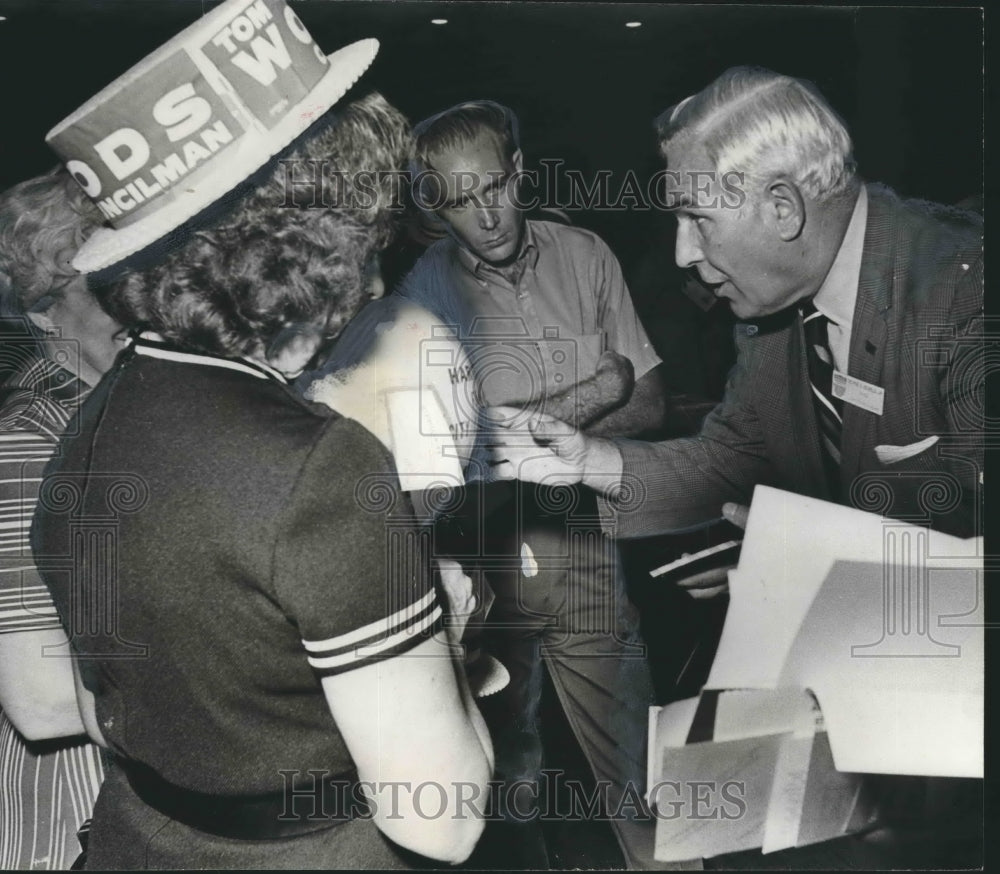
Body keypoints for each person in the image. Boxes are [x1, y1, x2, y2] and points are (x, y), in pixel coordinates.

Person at [31, 1, 491, 867]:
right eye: (373, 232)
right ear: (326, 247)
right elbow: (444, 815)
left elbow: (107, 715)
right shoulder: (317, 467)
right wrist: (448, 633)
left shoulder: (93, 422)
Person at [490, 66, 982, 542]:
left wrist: (808, 558)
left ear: (782, 209)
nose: (683, 254)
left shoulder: (968, 297)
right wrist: (589, 461)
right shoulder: (771, 310)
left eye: (698, 219)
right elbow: (734, 460)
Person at [399, 100, 672, 869]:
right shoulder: (420, 298)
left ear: (519, 172)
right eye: (457, 201)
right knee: (502, 789)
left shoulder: (586, 255)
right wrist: (593, 392)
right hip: (483, 565)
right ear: (435, 207)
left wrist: (521, 426)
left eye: (493, 187)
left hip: (585, 550)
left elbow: (648, 400)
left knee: (642, 779)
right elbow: (455, 454)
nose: (484, 215)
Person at [0, 168, 122, 870]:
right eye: (102, 291)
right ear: (44, 311)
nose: (136, 305)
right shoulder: (26, 443)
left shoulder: (120, 411)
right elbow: (42, 702)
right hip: (70, 830)